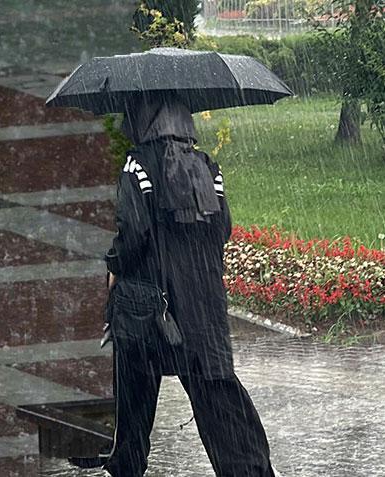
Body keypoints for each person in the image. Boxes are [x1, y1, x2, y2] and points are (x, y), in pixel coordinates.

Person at [99, 94, 275, 476]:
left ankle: (127, 464)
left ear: (141, 119)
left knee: (134, 390)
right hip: (202, 302)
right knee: (216, 390)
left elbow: (133, 232)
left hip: (149, 304)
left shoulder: (137, 166)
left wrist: (114, 266)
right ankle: (248, 469)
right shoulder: (208, 166)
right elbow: (221, 228)